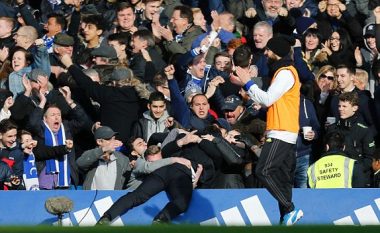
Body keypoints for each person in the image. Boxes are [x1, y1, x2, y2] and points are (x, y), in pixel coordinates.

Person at [231, 35, 303, 225]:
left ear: (277, 52)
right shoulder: (283, 72)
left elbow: (268, 99)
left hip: (281, 130)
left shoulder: (286, 72)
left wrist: (248, 82)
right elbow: (273, 102)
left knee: (264, 171)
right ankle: (285, 218)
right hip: (284, 130)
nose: (266, 53)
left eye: (269, 50)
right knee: (283, 178)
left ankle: (289, 209)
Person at [96, 144, 201, 225]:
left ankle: (107, 217)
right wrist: (176, 160)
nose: (158, 164)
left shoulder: (168, 164)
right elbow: (149, 168)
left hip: (168, 174)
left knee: (136, 196)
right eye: (153, 162)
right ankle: (160, 220)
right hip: (179, 173)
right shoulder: (139, 162)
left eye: (159, 161)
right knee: (181, 201)